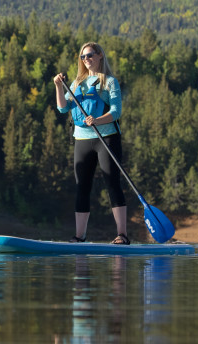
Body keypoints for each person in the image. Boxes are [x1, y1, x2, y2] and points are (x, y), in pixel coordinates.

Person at [52, 41, 129, 244]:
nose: (86, 59)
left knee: (112, 183)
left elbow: (115, 112)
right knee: (82, 187)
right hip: (82, 139)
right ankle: (79, 236)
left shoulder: (110, 82)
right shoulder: (77, 82)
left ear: (100, 55)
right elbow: (62, 108)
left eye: (90, 55)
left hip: (107, 138)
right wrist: (58, 86)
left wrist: (97, 120)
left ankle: (122, 235)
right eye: (83, 56)